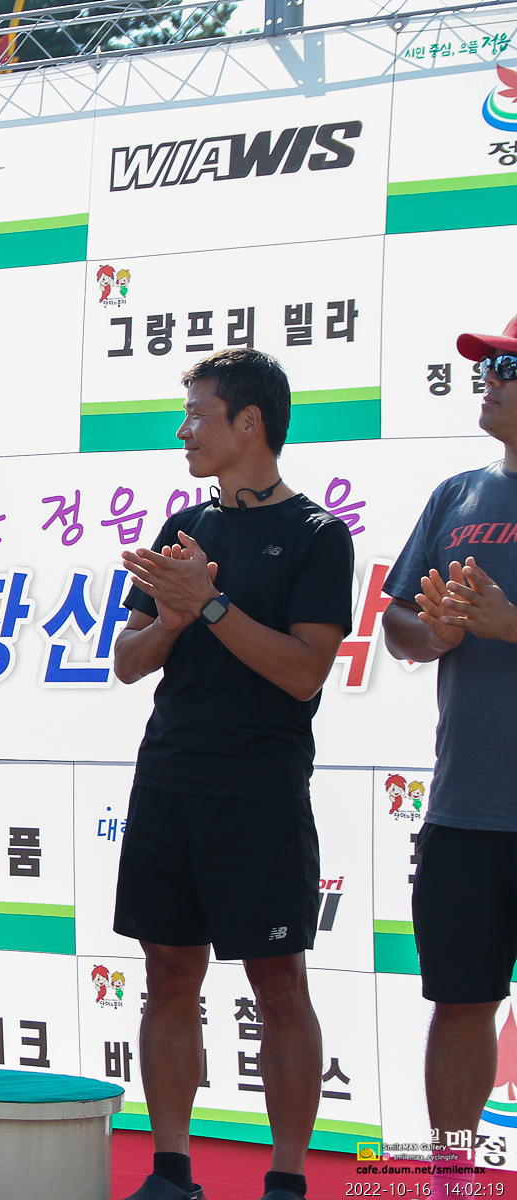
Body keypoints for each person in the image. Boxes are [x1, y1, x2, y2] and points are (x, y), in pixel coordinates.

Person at [111, 348, 353, 1200]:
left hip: (259, 789)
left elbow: (304, 671)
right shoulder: (186, 529)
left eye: (197, 414)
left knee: (278, 987)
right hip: (168, 777)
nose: (183, 431)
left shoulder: (317, 535)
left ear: (250, 423)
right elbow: (128, 662)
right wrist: (173, 621)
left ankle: (286, 1180)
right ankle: (171, 1170)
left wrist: (210, 605)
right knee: (167, 975)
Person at [381, 314, 517, 1187]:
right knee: (462, 1003)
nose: (489, 380)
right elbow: (397, 619)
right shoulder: (457, 494)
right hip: (467, 807)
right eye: (486, 367)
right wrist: (429, 636)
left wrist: (513, 625)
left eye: (508, 366)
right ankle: (452, 1179)